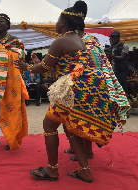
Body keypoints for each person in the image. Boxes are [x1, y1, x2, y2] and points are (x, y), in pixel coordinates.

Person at [15, 1, 118, 183]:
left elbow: (45, 66)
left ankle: (52, 170)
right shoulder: (80, 40)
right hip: (80, 89)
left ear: (63, 22)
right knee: (69, 127)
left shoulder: (61, 40)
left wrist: (27, 67)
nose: (56, 23)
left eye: (57, 19)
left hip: (70, 92)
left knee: (48, 125)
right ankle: (84, 171)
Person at [63, 1, 130, 161]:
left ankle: (86, 153)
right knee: (73, 118)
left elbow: (88, 65)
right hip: (87, 85)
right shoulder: (92, 40)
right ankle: (78, 149)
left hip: (86, 86)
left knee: (80, 118)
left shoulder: (83, 40)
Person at [0, 13, 29, 150]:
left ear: (8, 25)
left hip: (11, 80)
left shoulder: (14, 40)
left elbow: (21, 56)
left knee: (11, 108)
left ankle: (11, 138)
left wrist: (1, 49)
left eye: (1, 21)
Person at [108, 31, 129, 95]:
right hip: (112, 71)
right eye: (112, 38)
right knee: (114, 88)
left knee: (122, 87)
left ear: (118, 38)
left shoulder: (124, 46)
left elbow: (122, 57)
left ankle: (126, 100)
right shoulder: (111, 47)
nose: (113, 39)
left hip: (121, 71)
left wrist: (112, 56)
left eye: (115, 37)